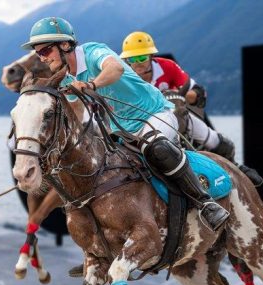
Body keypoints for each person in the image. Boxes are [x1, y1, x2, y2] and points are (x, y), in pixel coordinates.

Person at [21, 17, 229, 231]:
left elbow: (115, 69)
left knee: (155, 148)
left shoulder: (93, 52)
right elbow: (75, 114)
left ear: (65, 45)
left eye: (45, 51)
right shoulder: (65, 78)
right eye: (38, 54)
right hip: (120, 130)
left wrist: (91, 84)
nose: (42, 59)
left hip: (154, 114)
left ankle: (205, 203)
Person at [120, 31, 263, 186]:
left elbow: (198, 91)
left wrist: (185, 96)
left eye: (142, 57)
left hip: (176, 117)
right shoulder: (123, 76)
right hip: (142, 123)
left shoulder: (168, 66)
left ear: (151, 56)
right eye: (132, 59)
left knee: (215, 140)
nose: (138, 63)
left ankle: (235, 169)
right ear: (126, 60)